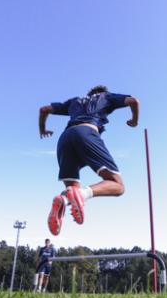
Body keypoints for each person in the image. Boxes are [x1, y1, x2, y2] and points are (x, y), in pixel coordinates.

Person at [39, 85, 140, 236]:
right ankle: (84, 194)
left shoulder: (74, 101)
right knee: (118, 186)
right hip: (87, 133)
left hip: (65, 138)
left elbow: (44, 110)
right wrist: (134, 120)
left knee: (71, 190)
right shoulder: (107, 97)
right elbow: (134, 101)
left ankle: (63, 201)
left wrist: (42, 129)